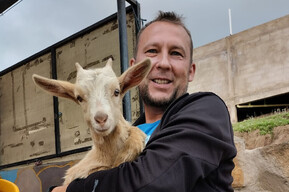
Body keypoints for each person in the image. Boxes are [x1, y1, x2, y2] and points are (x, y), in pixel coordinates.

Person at [51, 11, 237, 192]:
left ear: (190, 71)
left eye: (176, 53)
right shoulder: (131, 133)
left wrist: (69, 189)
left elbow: (153, 184)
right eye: (152, 51)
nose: (163, 63)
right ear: (135, 68)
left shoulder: (208, 112)